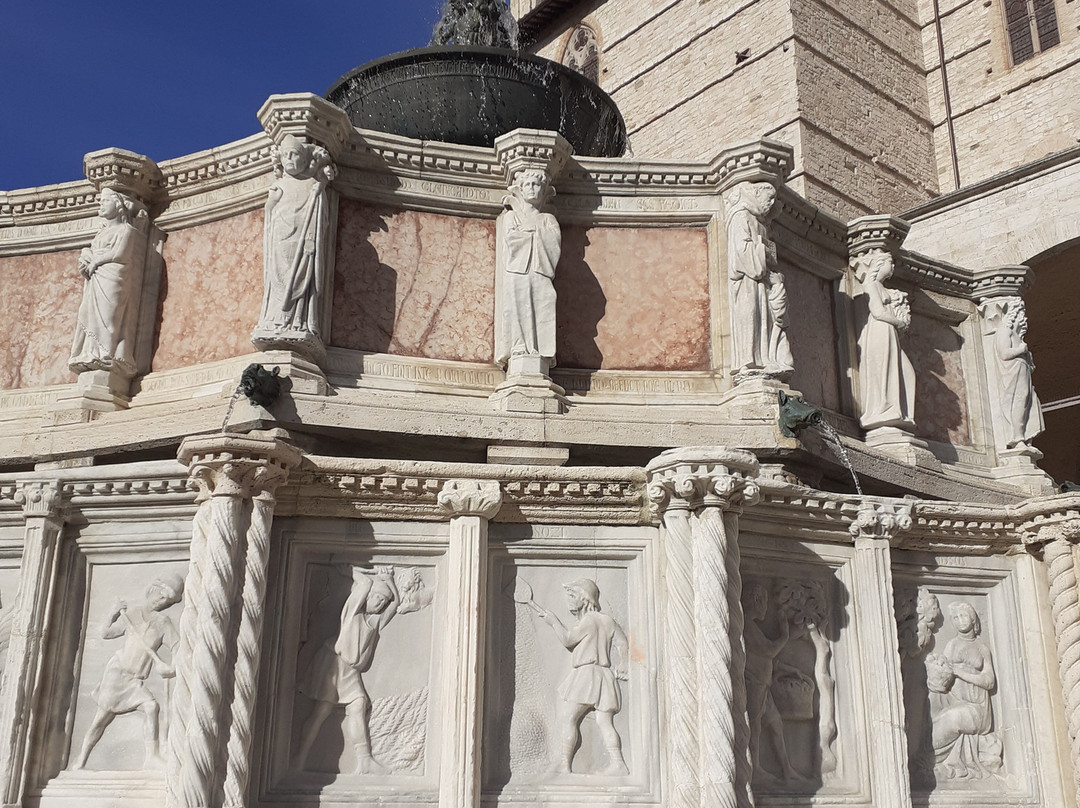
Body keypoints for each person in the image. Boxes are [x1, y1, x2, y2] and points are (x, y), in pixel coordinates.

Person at [294, 566, 399, 774]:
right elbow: (365, 583)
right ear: (367, 597)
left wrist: (390, 582)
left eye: (382, 601)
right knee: (322, 710)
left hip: (350, 670)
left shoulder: (374, 621)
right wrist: (350, 569)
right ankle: (301, 757)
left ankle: (364, 761)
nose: (379, 604)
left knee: (358, 706)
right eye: (377, 598)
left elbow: (394, 604)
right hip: (333, 661)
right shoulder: (353, 612)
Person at [73, 574, 184, 769]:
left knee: (151, 707)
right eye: (160, 594)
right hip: (117, 674)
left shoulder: (163, 623)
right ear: (152, 590)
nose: (162, 601)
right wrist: (112, 613)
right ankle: (81, 760)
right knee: (101, 719)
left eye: (168, 599)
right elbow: (106, 634)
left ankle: (151, 758)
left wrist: (171, 667)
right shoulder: (131, 614)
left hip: (135, 679)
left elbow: (177, 647)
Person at [531, 578, 629, 775]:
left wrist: (553, 622)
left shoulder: (589, 621)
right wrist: (624, 665)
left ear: (585, 599)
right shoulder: (607, 621)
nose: (568, 600)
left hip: (587, 675)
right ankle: (618, 763)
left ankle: (564, 765)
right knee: (605, 722)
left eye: (572, 595)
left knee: (568, 718)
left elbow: (568, 639)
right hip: (605, 675)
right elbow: (623, 643)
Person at [255, 135, 336, 346]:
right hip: (280, 242)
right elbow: (270, 214)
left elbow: (322, 217)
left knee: (303, 279)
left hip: (304, 243)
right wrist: (270, 204)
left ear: (304, 157)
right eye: (285, 155)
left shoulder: (313, 185)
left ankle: (299, 321)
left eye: (295, 154)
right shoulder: (279, 185)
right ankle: (275, 321)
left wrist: (320, 190)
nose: (290, 159)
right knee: (278, 280)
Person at [69, 187, 148, 376]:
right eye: (100, 201)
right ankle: (91, 353)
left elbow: (120, 254)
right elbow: (93, 252)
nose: (101, 205)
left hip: (113, 276)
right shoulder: (101, 234)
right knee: (87, 314)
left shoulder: (126, 229)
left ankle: (108, 355)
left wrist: (96, 260)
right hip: (96, 278)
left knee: (109, 316)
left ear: (118, 204)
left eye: (105, 201)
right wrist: (86, 258)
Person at [725, 181, 792, 379]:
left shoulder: (761, 223)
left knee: (764, 319)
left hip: (762, 281)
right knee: (750, 315)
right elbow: (740, 253)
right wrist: (763, 252)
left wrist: (764, 254)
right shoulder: (740, 216)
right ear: (756, 194)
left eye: (773, 199)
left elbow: (768, 252)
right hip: (747, 282)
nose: (771, 203)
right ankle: (748, 364)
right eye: (768, 198)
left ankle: (766, 361)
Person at [496, 169, 561, 370]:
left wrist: (529, 231)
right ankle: (519, 347)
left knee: (543, 303)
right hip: (518, 270)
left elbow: (554, 244)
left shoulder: (548, 219)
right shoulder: (511, 216)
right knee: (518, 306)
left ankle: (540, 352)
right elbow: (512, 240)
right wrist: (533, 233)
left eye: (537, 185)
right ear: (521, 190)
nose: (532, 189)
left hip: (540, 270)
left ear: (543, 190)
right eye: (527, 185)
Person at [928, 602, 1002, 779]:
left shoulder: (981, 648)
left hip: (977, 707)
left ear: (973, 619)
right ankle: (924, 754)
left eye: (963, 616)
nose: (959, 621)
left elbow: (989, 681)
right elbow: (944, 672)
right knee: (929, 709)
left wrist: (959, 671)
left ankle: (928, 755)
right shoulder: (952, 645)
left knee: (951, 717)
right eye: (955, 617)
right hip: (952, 699)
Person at [742, 583, 796, 782]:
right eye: (764, 602)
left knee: (776, 724)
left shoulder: (752, 626)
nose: (766, 606)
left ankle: (787, 769)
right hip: (754, 684)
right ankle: (755, 769)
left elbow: (766, 657)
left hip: (763, 684)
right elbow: (769, 651)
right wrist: (785, 635)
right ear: (755, 602)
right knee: (754, 727)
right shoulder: (747, 625)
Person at [856, 251, 916, 430]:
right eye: (891, 263)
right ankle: (882, 408)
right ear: (880, 264)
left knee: (907, 372)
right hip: (880, 329)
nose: (893, 267)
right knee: (884, 368)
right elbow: (878, 312)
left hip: (889, 330)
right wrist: (899, 322)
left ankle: (900, 411)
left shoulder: (883, 288)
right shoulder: (870, 284)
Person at [996, 303, 1044, 449]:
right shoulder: (1005, 331)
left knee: (1028, 402)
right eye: (1020, 315)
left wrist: (1029, 361)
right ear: (1012, 317)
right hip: (1013, 374)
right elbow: (1004, 354)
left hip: (1023, 375)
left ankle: (1027, 436)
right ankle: (1017, 438)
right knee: (1018, 402)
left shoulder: (1018, 336)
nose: (1024, 319)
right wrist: (1020, 350)